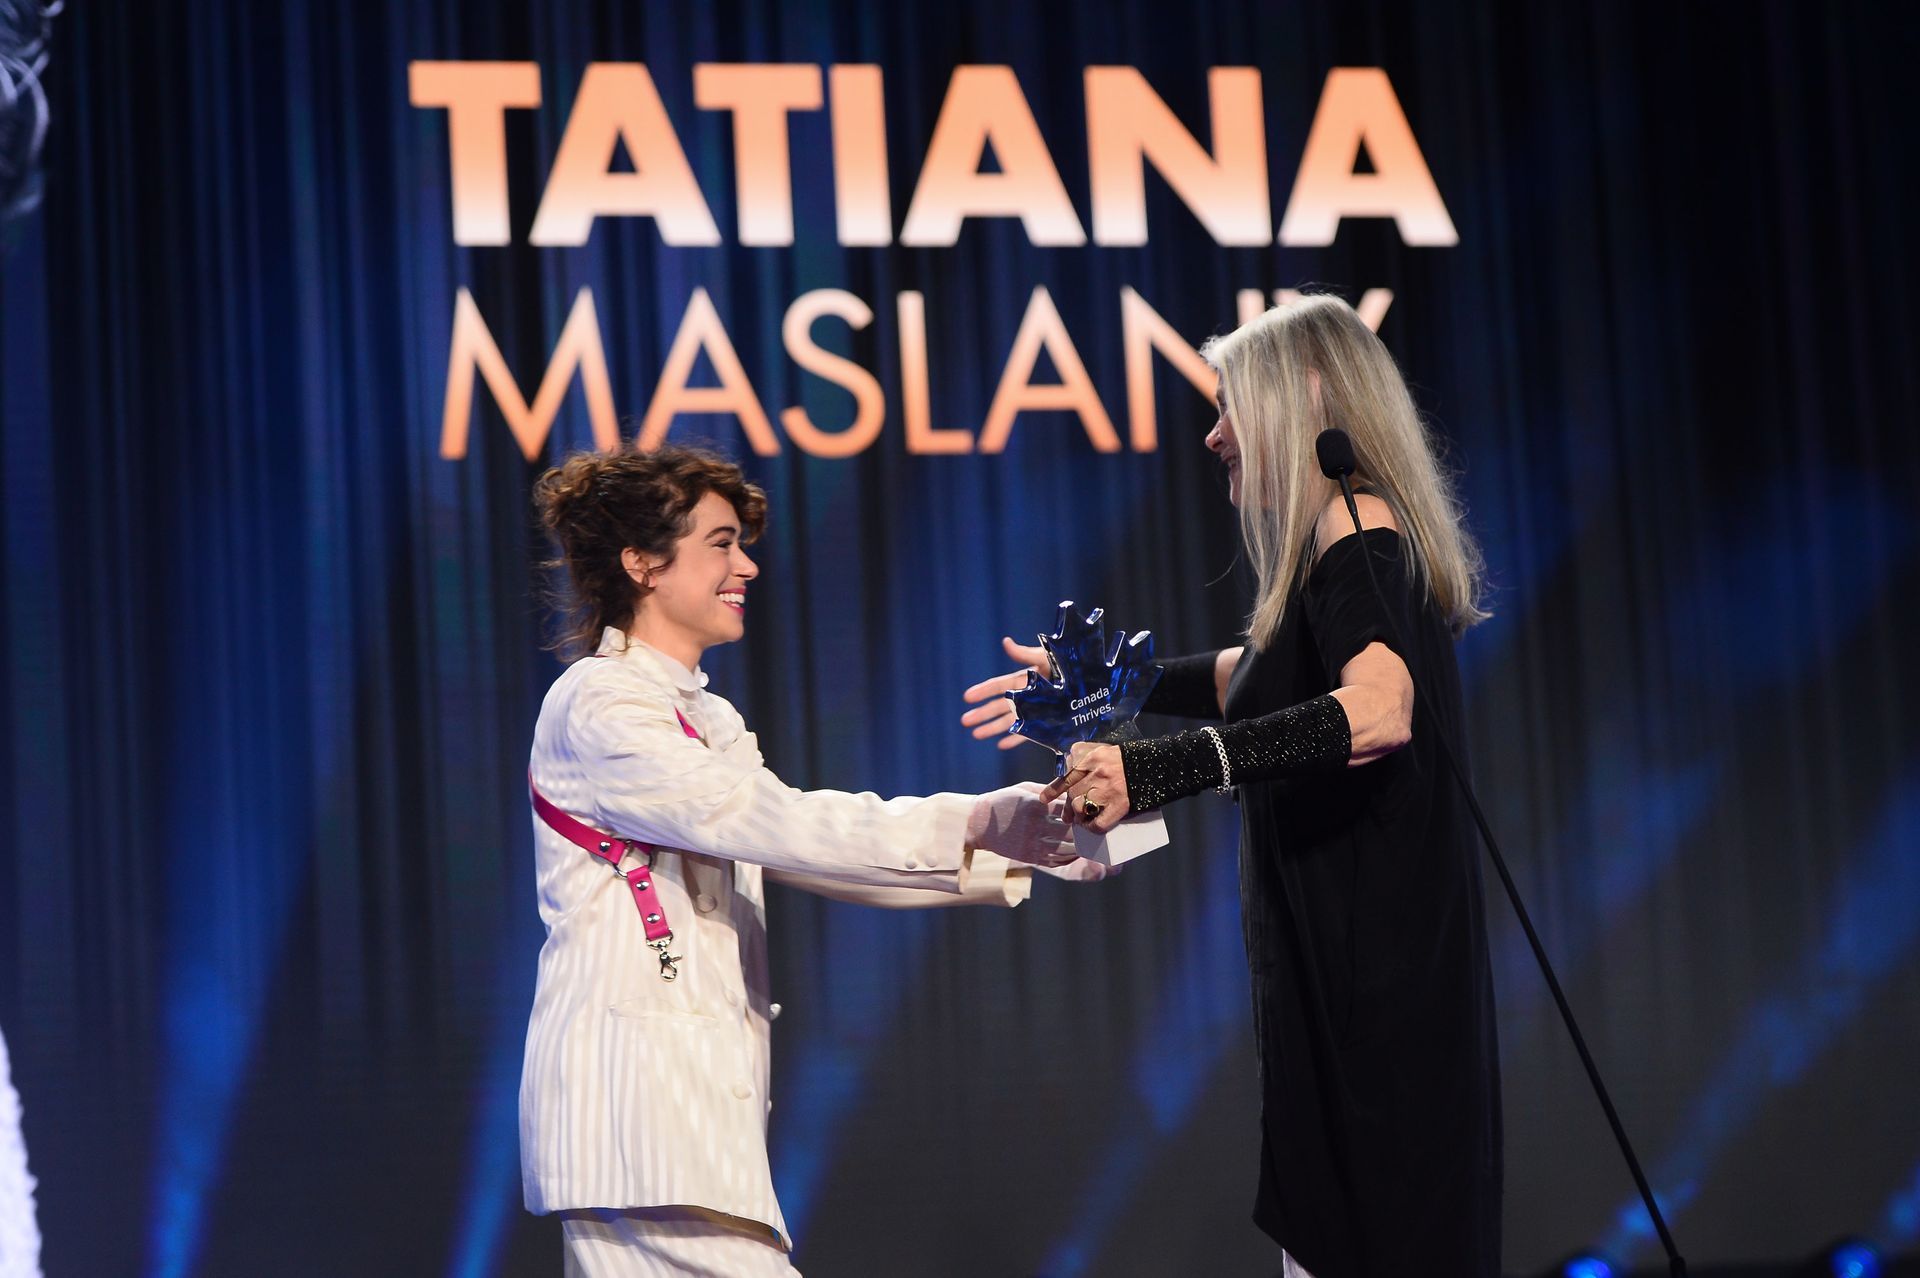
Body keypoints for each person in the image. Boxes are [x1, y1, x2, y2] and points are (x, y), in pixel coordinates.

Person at [963, 295, 1502, 1278]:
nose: (1212, 436)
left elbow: (1379, 710)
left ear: (1302, 396)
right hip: (1335, 998)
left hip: (1379, 1014)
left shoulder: (1356, 524)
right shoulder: (1330, 548)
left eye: (1227, 406)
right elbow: (1250, 677)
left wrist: (1161, 768)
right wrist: (1104, 686)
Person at [522, 445, 1084, 1277]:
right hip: (641, 1121)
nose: (745, 564)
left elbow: (809, 860)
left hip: (681, 1136)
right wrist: (985, 820)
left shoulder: (705, 716)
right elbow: (775, 823)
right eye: (720, 542)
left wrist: (1017, 844)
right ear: (642, 562)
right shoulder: (600, 701)